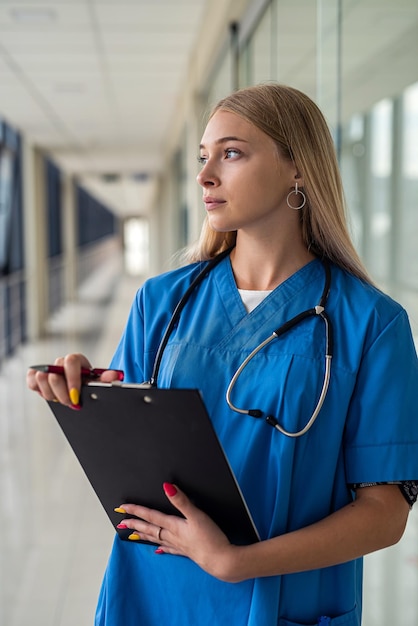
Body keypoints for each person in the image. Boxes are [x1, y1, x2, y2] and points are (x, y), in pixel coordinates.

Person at [27, 83, 418, 626]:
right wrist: (84, 392)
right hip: (155, 590)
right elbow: (131, 447)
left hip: (285, 602)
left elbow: (385, 513)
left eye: (231, 153)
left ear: (298, 169)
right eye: (203, 157)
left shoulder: (372, 324)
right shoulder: (161, 301)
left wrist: (238, 562)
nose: (206, 175)